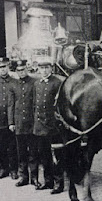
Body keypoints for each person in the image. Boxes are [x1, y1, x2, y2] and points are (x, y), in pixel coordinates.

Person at [33, 60, 65, 193]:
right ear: (38, 70)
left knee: (57, 156)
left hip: (54, 126)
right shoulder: (37, 84)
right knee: (44, 155)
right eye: (42, 68)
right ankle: (48, 181)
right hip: (40, 126)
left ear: (51, 68)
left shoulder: (57, 83)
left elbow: (61, 104)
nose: (44, 71)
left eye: (46, 68)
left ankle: (59, 183)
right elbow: (35, 104)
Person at [8, 60, 40, 188]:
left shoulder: (34, 83)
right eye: (19, 70)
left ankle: (34, 178)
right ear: (16, 72)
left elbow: (36, 104)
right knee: (21, 153)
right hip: (19, 124)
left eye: (23, 70)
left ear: (26, 69)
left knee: (33, 153)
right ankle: (23, 177)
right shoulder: (13, 85)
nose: (21, 72)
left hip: (31, 124)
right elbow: (11, 105)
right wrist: (11, 122)